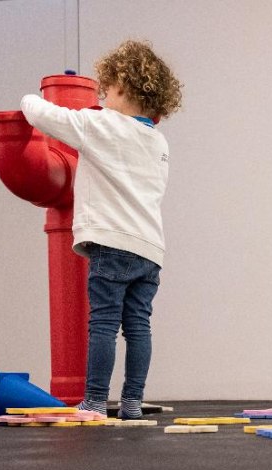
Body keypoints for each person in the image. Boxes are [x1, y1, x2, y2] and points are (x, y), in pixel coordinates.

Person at [20, 40, 183, 419]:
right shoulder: (158, 141)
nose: (102, 97)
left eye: (105, 91)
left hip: (112, 243)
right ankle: (131, 403)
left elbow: (48, 117)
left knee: (104, 323)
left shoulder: (101, 125)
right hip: (150, 248)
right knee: (138, 326)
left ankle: (93, 401)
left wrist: (28, 98)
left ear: (123, 88)